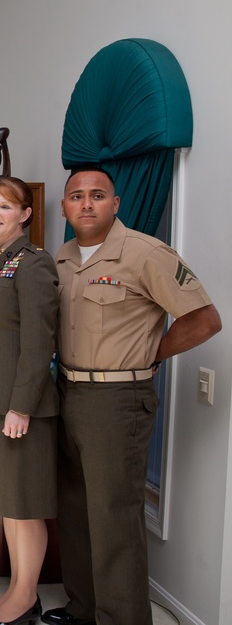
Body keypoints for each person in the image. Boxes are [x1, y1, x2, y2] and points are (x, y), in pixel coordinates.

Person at [45, 167, 221, 625]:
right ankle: (84, 607)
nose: (86, 204)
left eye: (97, 195)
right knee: (75, 509)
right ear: (64, 206)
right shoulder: (62, 257)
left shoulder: (146, 253)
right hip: (67, 390)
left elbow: (204, 319)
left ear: (116, 204)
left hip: (117, 400)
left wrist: (153, 352)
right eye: (77, 196)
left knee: (113, 518)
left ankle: (122, 618)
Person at [0, 177, 59, 625]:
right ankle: (16, 588)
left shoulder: (34, 264)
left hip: (21, 408)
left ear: (26, 214)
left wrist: (21, 405)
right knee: (7, 501)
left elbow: (38, 343)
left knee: (24, 504)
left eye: (6, 207)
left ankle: (26, 597)